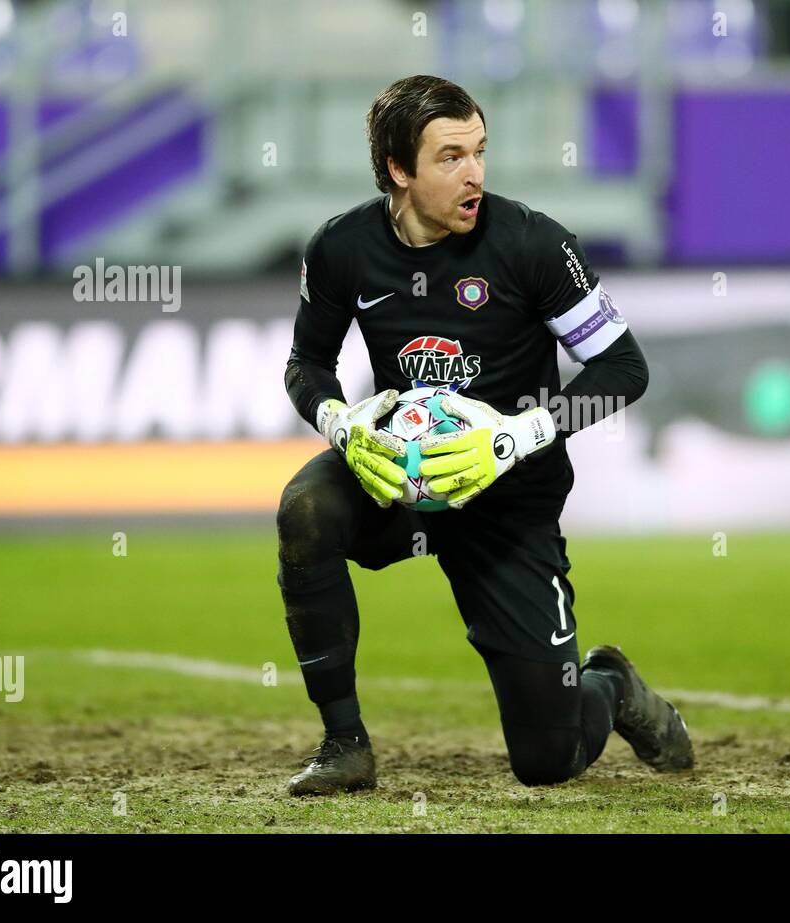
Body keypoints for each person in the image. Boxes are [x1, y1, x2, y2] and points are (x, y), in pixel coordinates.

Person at [277, 75, 693, 795]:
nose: (474, 173)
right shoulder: (343, 248)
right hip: (401, 482)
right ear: (399, 170)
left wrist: (518, 433)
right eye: (449, 157)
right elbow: (306, 364)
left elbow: (624, 368)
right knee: (306, 508)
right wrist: (341, 423)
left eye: (479, 151)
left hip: (508, 499)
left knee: (548, 759)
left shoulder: (532, 243)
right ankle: (344, 741)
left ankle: (611, 685)